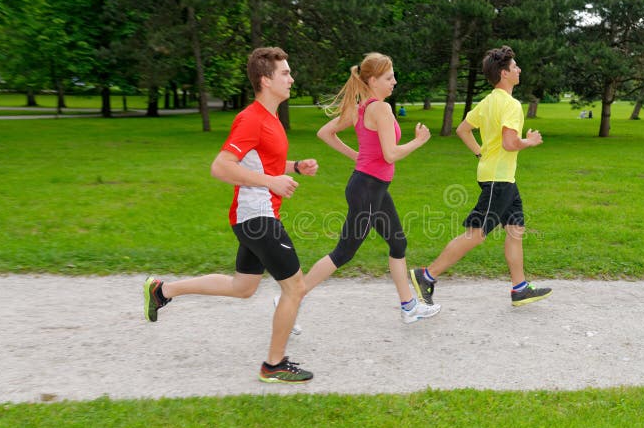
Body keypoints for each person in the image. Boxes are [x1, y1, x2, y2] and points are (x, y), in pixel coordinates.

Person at [143, 47, 318, 384]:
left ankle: (163, 291)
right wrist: (272, 182)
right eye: (285, 73)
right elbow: (221, 166)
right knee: (295, 287)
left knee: (243, 287)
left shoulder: (271, 120)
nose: (291, 78)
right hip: (258, 216)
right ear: (266, 80)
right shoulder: (251, 119)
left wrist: (295, 167)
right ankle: (274, 364)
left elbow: (264, 162)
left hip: (252, 217)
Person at [301, 52, 441, 325]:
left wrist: (357, 156)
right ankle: (293, 296)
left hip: (370, 187)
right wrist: (419, 141)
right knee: (344, 252)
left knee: (398, 242)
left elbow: (324, 133)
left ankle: (409, 306)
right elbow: (390, 154)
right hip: (367, 188)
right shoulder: (380, 109)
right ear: (373, 80)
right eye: (389, 78)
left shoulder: (361, 107)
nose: (395, 82)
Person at [409, 45, 552, 307]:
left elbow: (463, 129)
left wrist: (481, 154)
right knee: (476, 234)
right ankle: (426, 276)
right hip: (498, 179)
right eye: (515, 67)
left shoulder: (487, 102)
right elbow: (510, 143)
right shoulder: (510, 104)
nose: (519, 70)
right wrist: (529, 142)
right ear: (504, 73)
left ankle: (519, 287)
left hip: (501, 177)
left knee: (515, 229)